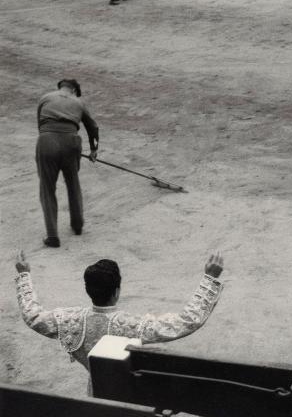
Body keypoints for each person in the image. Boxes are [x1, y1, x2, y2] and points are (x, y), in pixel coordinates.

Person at [15, 250, 224, 393]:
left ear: (88, 291)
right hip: (131, 396)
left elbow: (33, 316)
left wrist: (24, 274)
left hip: (95, 394)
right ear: (116, 291)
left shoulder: (73, 321)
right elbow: (186, 321)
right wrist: (209, 278)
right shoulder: (131, 326)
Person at [36, 79, 99, 247]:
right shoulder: (78, 102)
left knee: (47, 188)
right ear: (74, 90)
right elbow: (93, 127)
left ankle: (52, 236)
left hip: (46, 141)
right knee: (73, 183)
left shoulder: (46, 98)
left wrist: (48, 140)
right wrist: (93, 150)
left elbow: (40, 125)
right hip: (71, 142)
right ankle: (77, 226)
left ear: (61, 87)